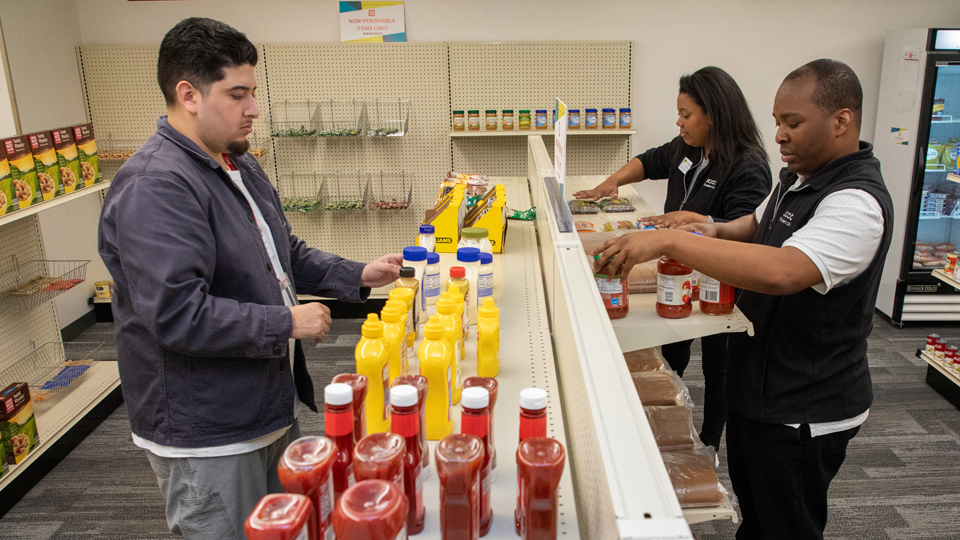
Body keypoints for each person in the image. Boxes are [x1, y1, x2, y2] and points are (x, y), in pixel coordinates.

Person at [98, 18, 401, 538]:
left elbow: (281, 252)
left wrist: (358, 274)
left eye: (253, 92)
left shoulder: (237, 163)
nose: (253, 109)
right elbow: (178, 315)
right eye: (237, 94)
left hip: (260, 404)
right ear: (188, 94)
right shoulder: (157, 186)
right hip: (208, 428)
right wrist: (285, 322)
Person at [594, 59, 892, 539]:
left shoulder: (855, 201)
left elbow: (784, 271)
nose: (779, 136)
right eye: (777, 122)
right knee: (756, 516)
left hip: (804, 408)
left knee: (786, 525)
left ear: (841, 121)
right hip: (762, 389)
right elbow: (755, 226)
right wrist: (708, 227)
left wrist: (673, 243)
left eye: (792, 123)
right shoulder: (798, 179)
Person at [574, 66, 771, 455]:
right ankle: (667, 418)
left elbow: (744, 232)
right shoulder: (689, 148)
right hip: (677, 271)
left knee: (718, 367)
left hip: (719, 281)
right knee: (672, 344)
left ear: (713, 114)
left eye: (686, 115)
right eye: (678, 114)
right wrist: (611, 182)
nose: (678, 123)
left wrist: (702, 223)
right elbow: (650, 161)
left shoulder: (747, 165)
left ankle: (711, 443)